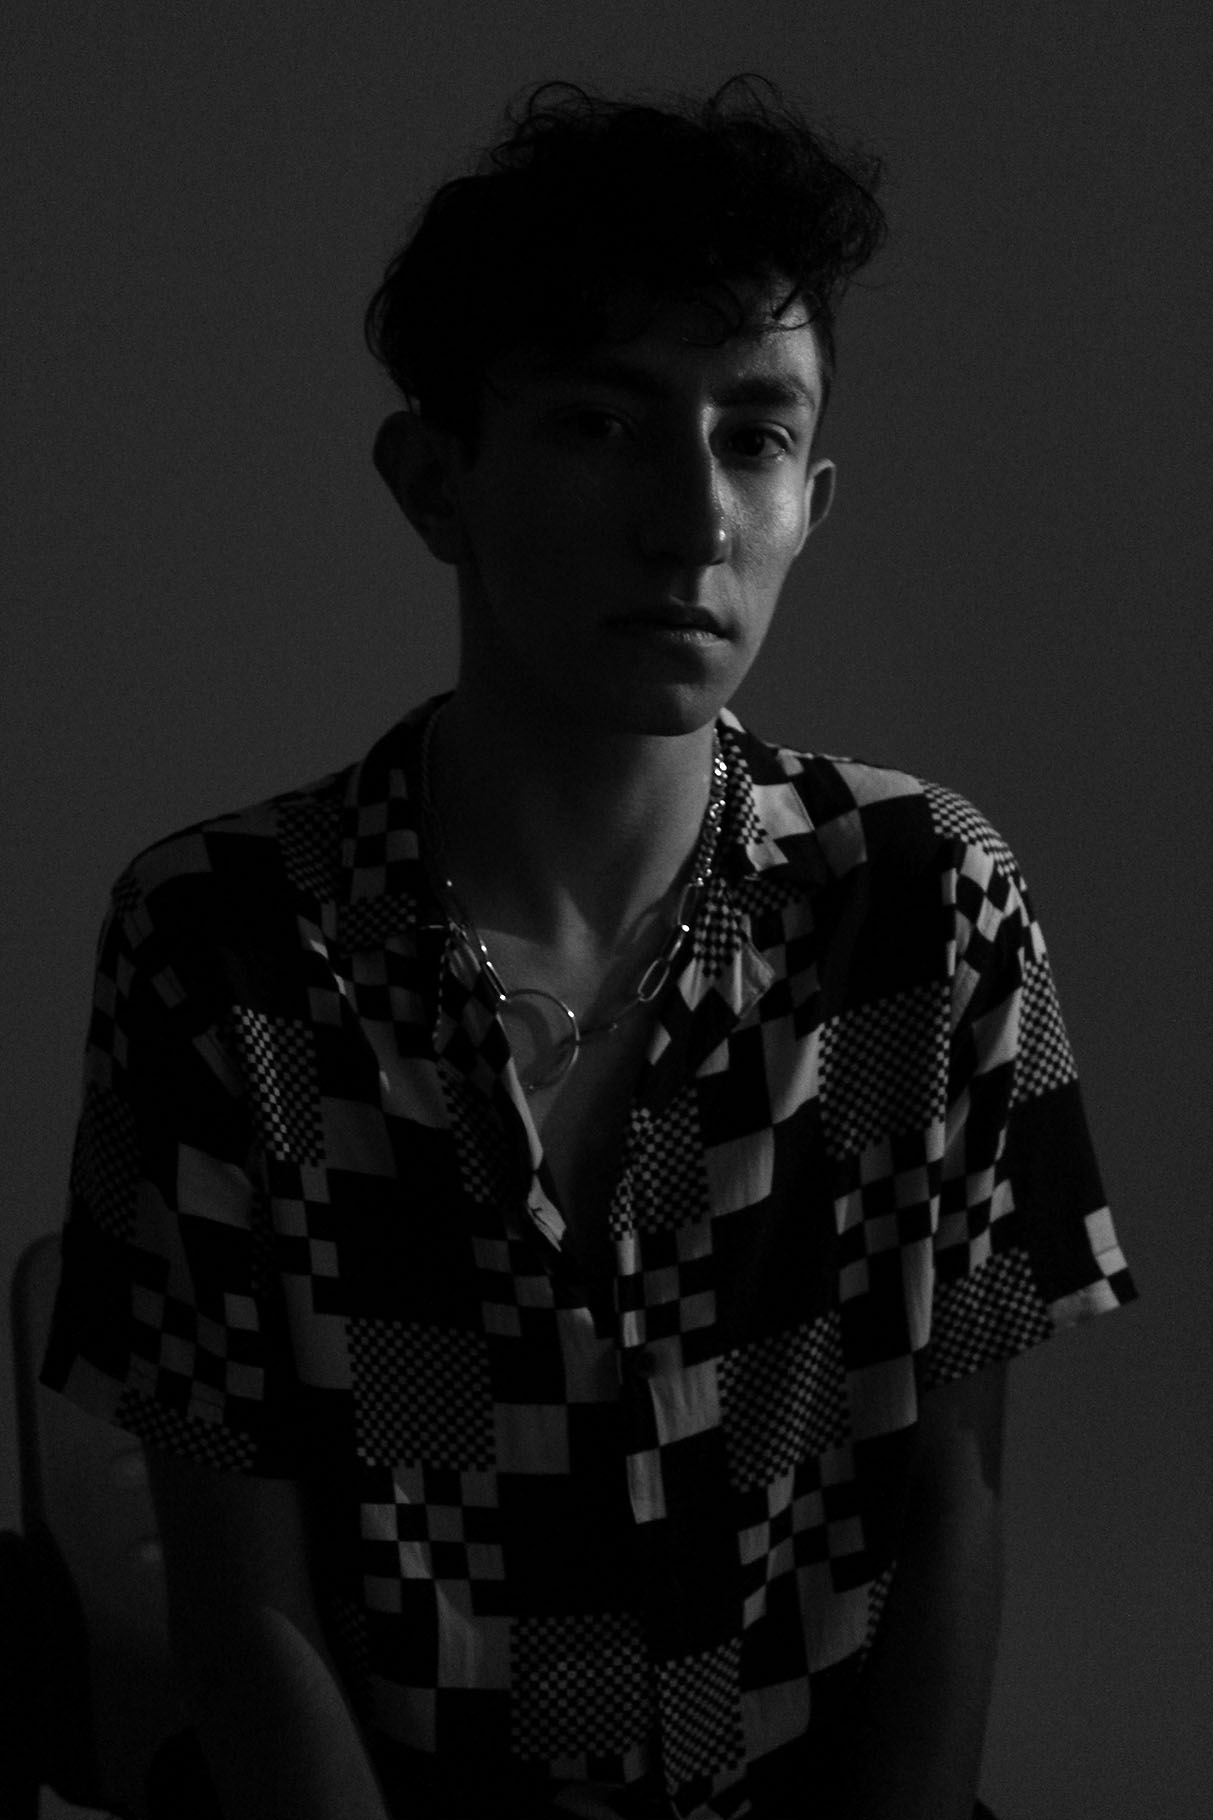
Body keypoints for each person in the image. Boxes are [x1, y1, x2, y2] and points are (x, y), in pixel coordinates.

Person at [41, 77, 1136, 1820]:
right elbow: (244, 1595)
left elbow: (952, 1507)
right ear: (435, 480)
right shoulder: (226, 942)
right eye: (597, 424)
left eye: (751, 437)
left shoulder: (923, 901)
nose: (690, 520)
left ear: (810, 499)